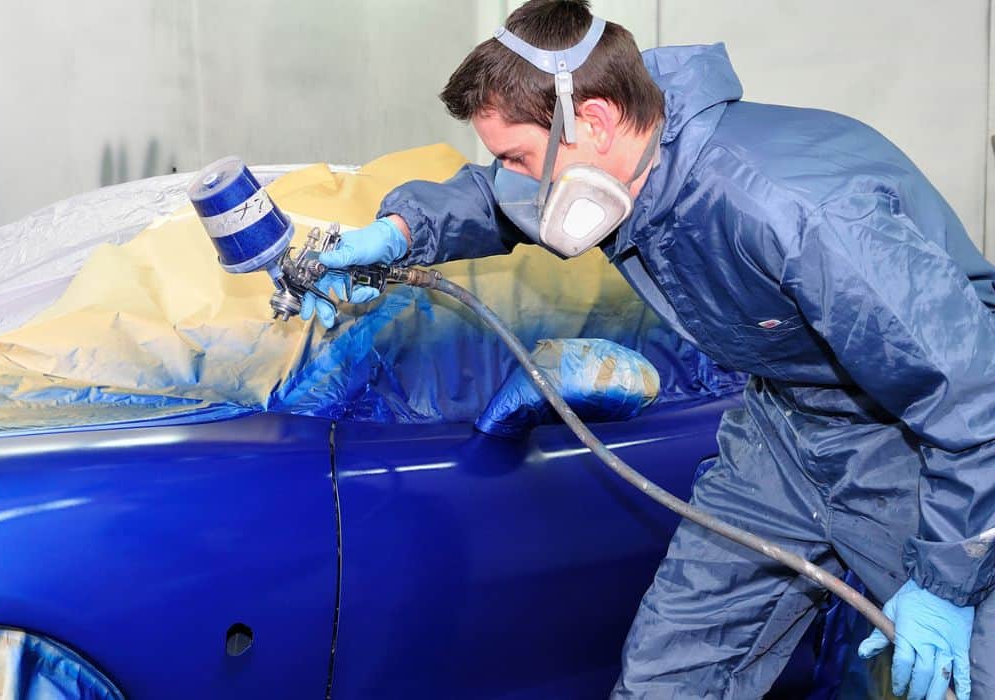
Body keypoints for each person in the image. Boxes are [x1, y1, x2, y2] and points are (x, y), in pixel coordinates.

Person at [302, 1, 995, 697]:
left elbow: (971, 393)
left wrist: (945, 581)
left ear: (593, 121)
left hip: (919, 439)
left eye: (515, 153)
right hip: (783, 430)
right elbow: (496, 199)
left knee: (966, 676)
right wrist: (395, 233)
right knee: (672, 676)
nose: (511, 172)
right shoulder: (625, 169)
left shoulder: (793, 213)